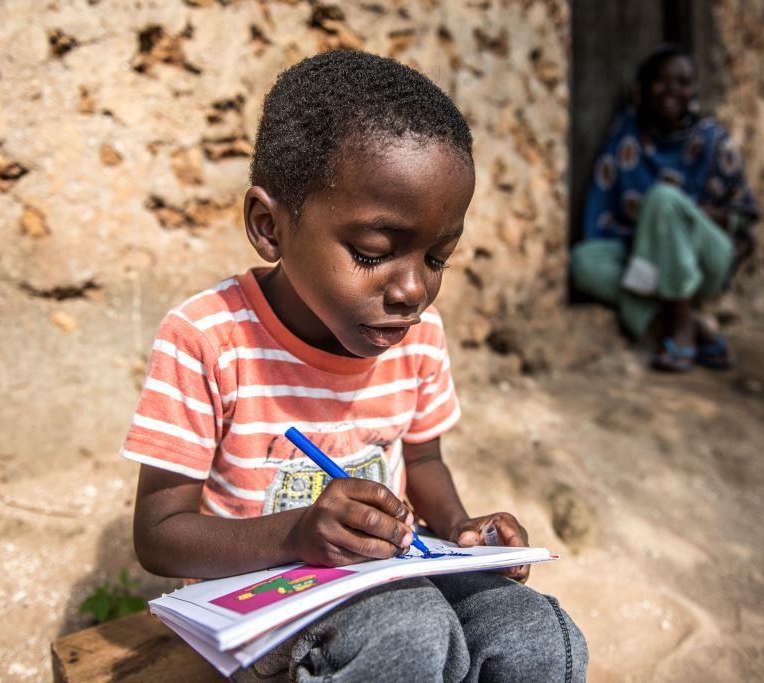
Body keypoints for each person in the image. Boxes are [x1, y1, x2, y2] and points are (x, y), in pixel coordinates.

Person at [122, 51, 588, 682]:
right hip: (263, 599)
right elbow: (158, 534)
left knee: (538, 635)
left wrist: (460, 529)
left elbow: (422, 461)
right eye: (374, 253)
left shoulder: (417, 338)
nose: (412, 290)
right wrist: (296, 537)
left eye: (437, 258)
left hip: (392, 575)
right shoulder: (208, 338)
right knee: (411, 634)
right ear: (269, 227)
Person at [572, 44, 758, 372]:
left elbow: (743, 219)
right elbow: (604, 213)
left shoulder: (714, 142)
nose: (673, 90)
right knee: (582, 263)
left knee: (662, 198)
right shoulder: (627, 140)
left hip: (705, 262)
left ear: (692, 92)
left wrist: (688, 215)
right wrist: (653, 236)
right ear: (642, 90)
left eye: (683, 82)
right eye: (662, 81)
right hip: (645, 260)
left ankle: (681, 329)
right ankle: (686, 322)